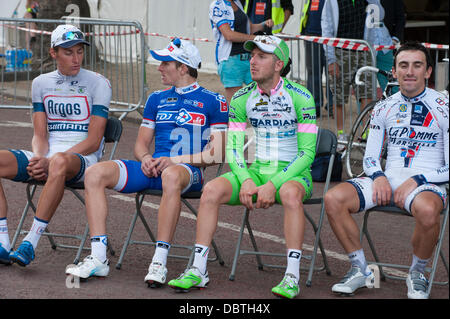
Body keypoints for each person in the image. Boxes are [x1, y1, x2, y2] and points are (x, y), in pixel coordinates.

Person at [65, 38, 229, 287]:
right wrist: (145, 158)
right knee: (95, 173)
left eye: (165, 63)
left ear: (183, 67)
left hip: (188, 172)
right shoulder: (156, 99)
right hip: (155, 168)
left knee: (171, 175)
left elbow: (216, 155)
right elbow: (141, 144)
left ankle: (159, 262)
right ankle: (98, 257)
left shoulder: (214, 101)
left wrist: (173, 160)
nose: (159, 68)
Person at [168, 35, 317, 299]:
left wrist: (273, 184)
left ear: (278, 64)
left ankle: (292, 276)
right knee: (212, 189)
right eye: (252, 56)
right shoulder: (241, 98)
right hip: (257, 170)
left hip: (293, 173)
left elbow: (307, 154)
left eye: (262, 56)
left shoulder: (301, 97)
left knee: (291, 195)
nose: (253, 61)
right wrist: (247, 179)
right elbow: (234, 149)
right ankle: (198, 268)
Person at [324, 42, 449, 299]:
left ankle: (417, 274)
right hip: (388, 179)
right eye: (403, 65)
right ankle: (361, 270)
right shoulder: (383, 106)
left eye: (417, 65)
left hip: (429, 182)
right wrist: (378, 176)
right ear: (394, 71)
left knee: (427, 209)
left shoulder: (444, 106)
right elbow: (369, 158)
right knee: (333, 198)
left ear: (428, 72)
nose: (410, 71)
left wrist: (418, 179)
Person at [0, 24, 111, 267]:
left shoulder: (99, 83)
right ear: (53, 53)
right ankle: (3, 241)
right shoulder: (40, 83)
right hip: (49, 156)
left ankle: (30, 242)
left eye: (80, 51)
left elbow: (93, 142)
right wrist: (39, 158)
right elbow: (40, 134)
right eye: (68, 52)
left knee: (59, 161)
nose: (76, 58)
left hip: (82, 160)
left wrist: (51, 161)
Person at [321, 0, 375, 149]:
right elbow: (327, 28)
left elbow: (378, 18)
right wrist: (331, 59)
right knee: (339, 97)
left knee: (366, 93)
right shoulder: (331, 2)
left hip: (364, 51)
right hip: (340, 52)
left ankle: (366, 133)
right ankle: (341, 134)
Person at [209, 0, 274, 104]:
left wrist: (264, 24)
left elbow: (249, 28)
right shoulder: (217, 5)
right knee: (237, 106)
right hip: (230, 61)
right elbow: (229, 35)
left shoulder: (237, 3)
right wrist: (255, 38)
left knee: (261, 102)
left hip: (249, 59)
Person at [299, 0, 332, 117]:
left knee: (331, 73)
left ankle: (332, 106)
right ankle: (314, 106)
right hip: (311, 37)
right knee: (313, 73)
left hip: (330, 38)